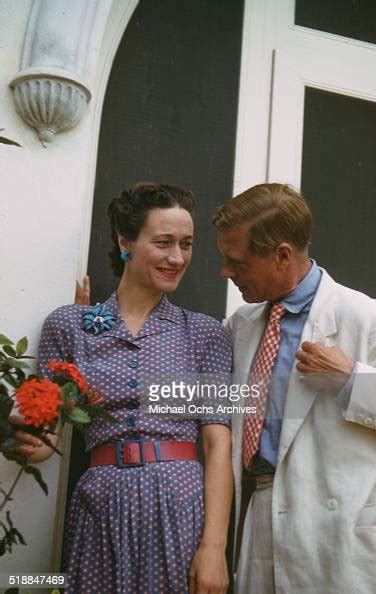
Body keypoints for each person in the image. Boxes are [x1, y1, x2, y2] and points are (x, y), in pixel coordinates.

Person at [32, 182, 232, 593]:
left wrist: (214, 548)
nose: (178, 257)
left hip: (180, 505)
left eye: (187, 244)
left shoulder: (206, 334)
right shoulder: (70, 326)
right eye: (163, 242)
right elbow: (45, 437)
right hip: (101, 503)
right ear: (126, 242)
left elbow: (217, 445)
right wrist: (23, 439)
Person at [213, 182, 376, 594]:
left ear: (282, 255)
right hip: (259, 517)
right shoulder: (242, 324)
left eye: (236, 261)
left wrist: (350, 382)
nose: (224, 272)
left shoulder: (368, 318)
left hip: (338, 535)